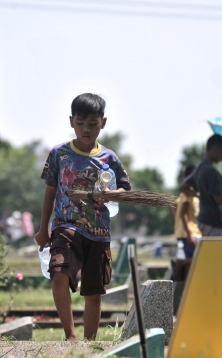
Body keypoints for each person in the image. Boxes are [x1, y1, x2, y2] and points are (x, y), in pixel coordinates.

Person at [34, 93, 132, 342]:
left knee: (93, 293)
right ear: (71, 122)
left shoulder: (109, 158)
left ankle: (88, 345)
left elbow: (126, 190)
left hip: (98, 233)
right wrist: (43, 229)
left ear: (103, 122)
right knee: (58, 275)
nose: (86, 129)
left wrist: (111, 193)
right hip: (64, 227)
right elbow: (50, 191)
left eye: (92, 123)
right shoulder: (59, 154)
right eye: (80, 123)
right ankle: (70, 336)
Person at [178, 134, 222, 237]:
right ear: (215, 150)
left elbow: (182, 187)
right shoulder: (210, 171)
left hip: (204, 220)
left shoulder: (200, 168)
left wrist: (198, 194)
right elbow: (218, 199)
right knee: (217, 252)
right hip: (213, 222)